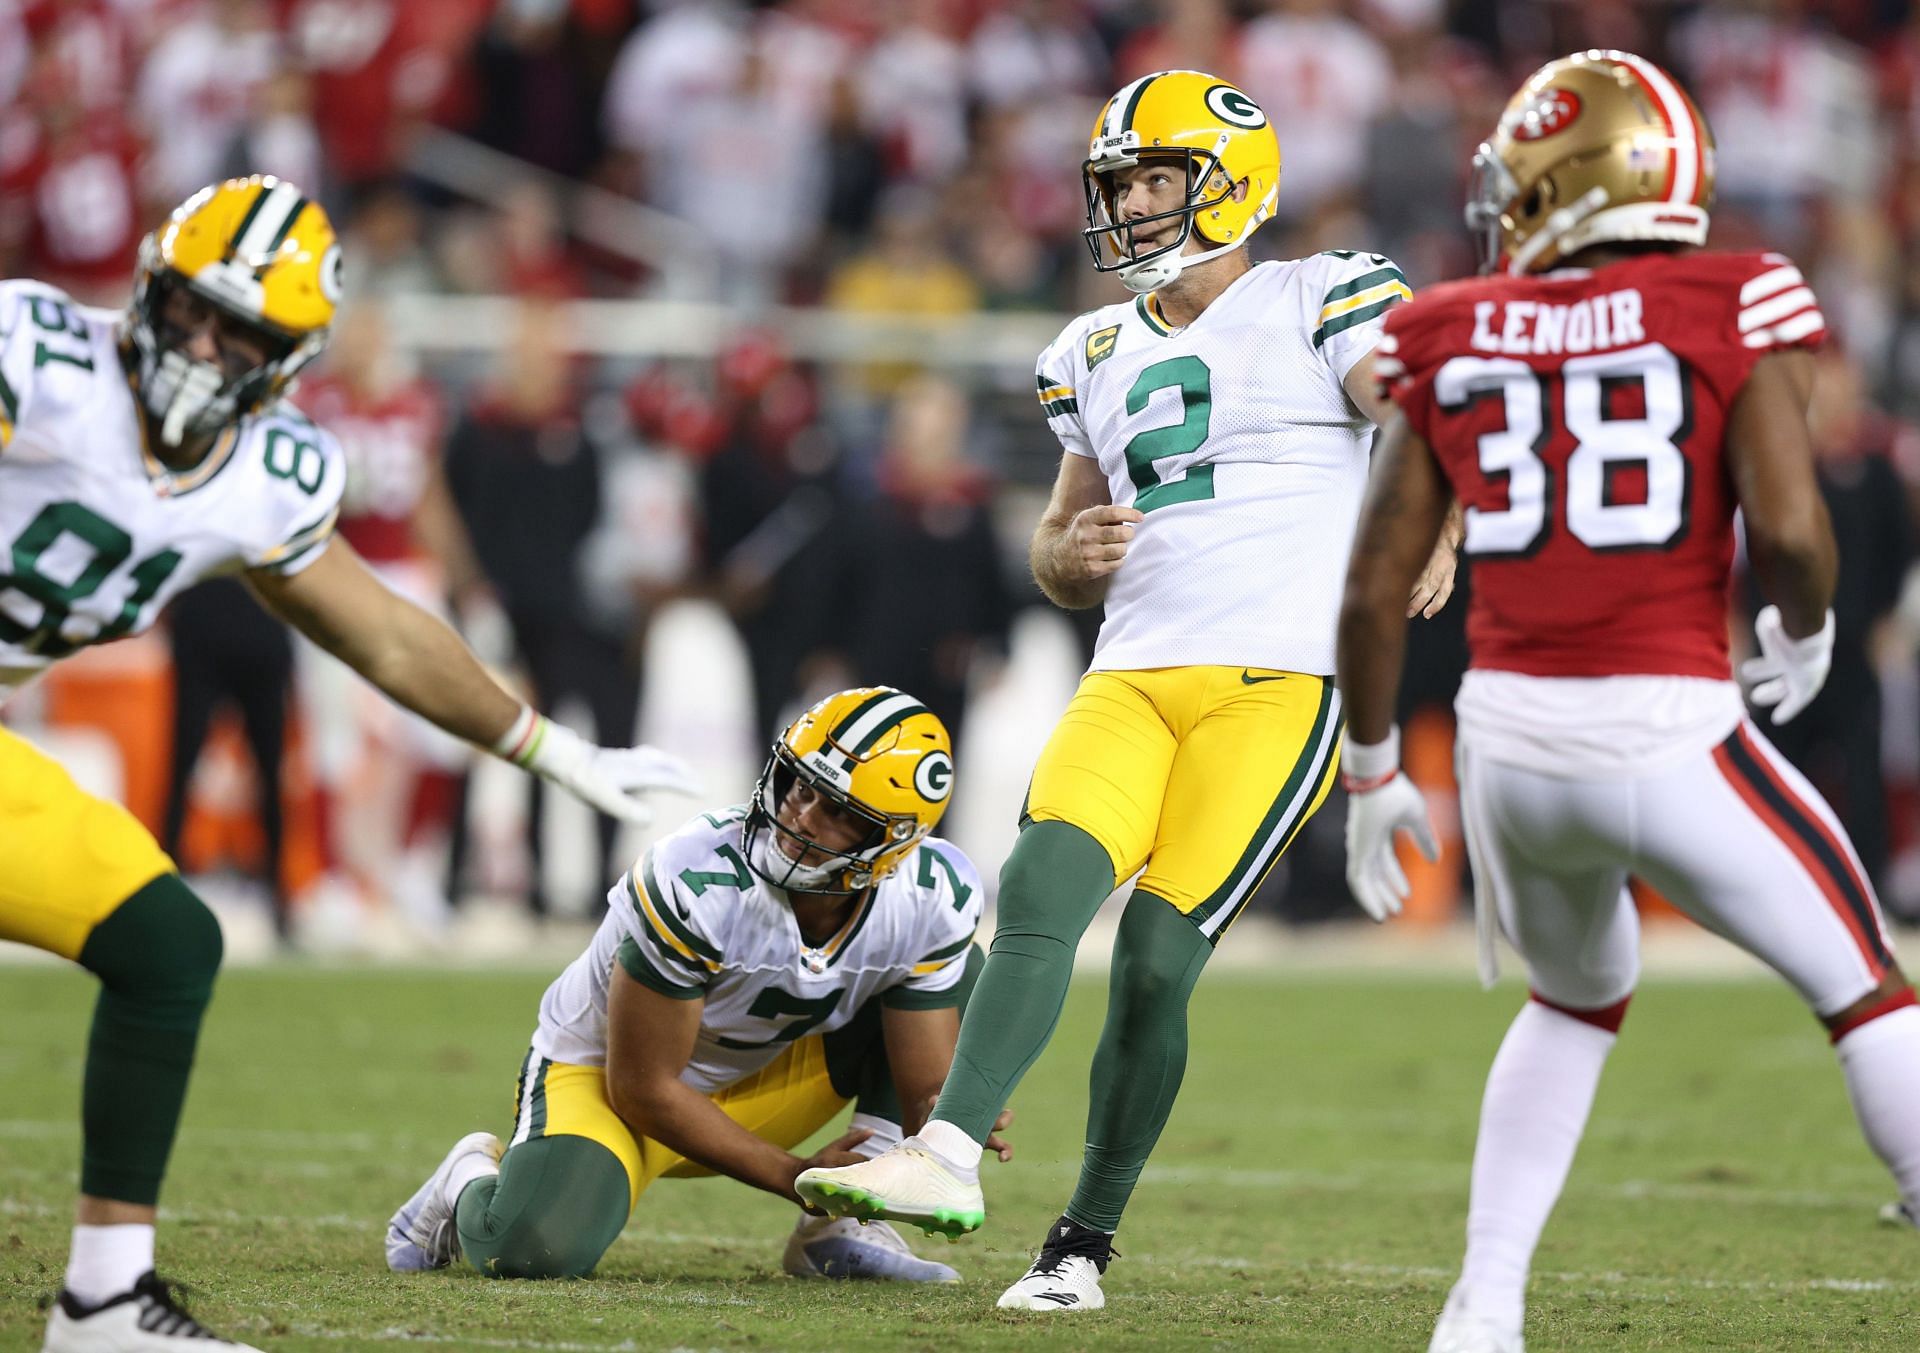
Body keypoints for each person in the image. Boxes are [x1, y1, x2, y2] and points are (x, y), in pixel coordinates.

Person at [795, 71, 1459, 1311]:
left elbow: (1425, 410)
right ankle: (942, 1157)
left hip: (1278, 683)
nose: (1134, 205)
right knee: (1041, 881)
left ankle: (1080, 1246)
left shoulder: (1322, 293)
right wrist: (1070, 554)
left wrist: (1443, 523)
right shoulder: (1088, 346)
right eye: (1120, 185)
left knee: (1158, 955)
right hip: (1135, 670)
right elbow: (1054, 547)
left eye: (1157, 178)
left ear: (1232, 180)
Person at [1, 174, 696, 1353]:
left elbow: (377, 628)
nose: (204, 345)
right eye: (191, 311)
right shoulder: (38, 355)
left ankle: (104, 1302)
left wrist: (552, 749)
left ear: (288, 356)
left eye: (242, 330)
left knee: (165, 943)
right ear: (148, 293)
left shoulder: (265, 475)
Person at [1334, 51, 1920, 1353]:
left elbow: (1377, 592)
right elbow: (1790, 525)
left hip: (1510, 748)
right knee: (1867, 987)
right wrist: (1805, 625)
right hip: (1668, 726)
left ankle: (1482, 1308)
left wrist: (1374, 772)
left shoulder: (1448, 325)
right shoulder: (1735, 295)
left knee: (1576, 993)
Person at [384, 687, 1003, 1284]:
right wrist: (793, 1175)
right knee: (531, 1249)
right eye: (800, 785)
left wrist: (951, 1117)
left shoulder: (932, 895)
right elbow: (642, 1087)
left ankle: (847, 1228)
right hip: (609, 1082)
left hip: (766, 1075)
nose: (799, 816)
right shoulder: (699, 877)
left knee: (969, 973)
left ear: (890, 842)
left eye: (838, 813)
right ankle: (467, 1173)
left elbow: (921, 1085)